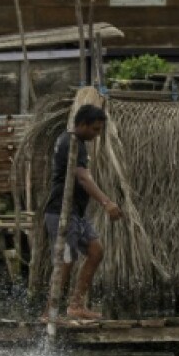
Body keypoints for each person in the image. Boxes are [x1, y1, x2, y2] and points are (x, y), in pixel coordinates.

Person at [43, 104, 122, 321]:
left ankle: (75, 305)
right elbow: (83, 177)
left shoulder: (78, 143)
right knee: (65, 259)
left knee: (96, 251)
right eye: (95, 130)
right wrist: (106, 202)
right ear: (82, 124)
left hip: (76, 212)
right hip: (61, 211)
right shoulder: (70, 142)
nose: (96, 135)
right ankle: (50, 311)